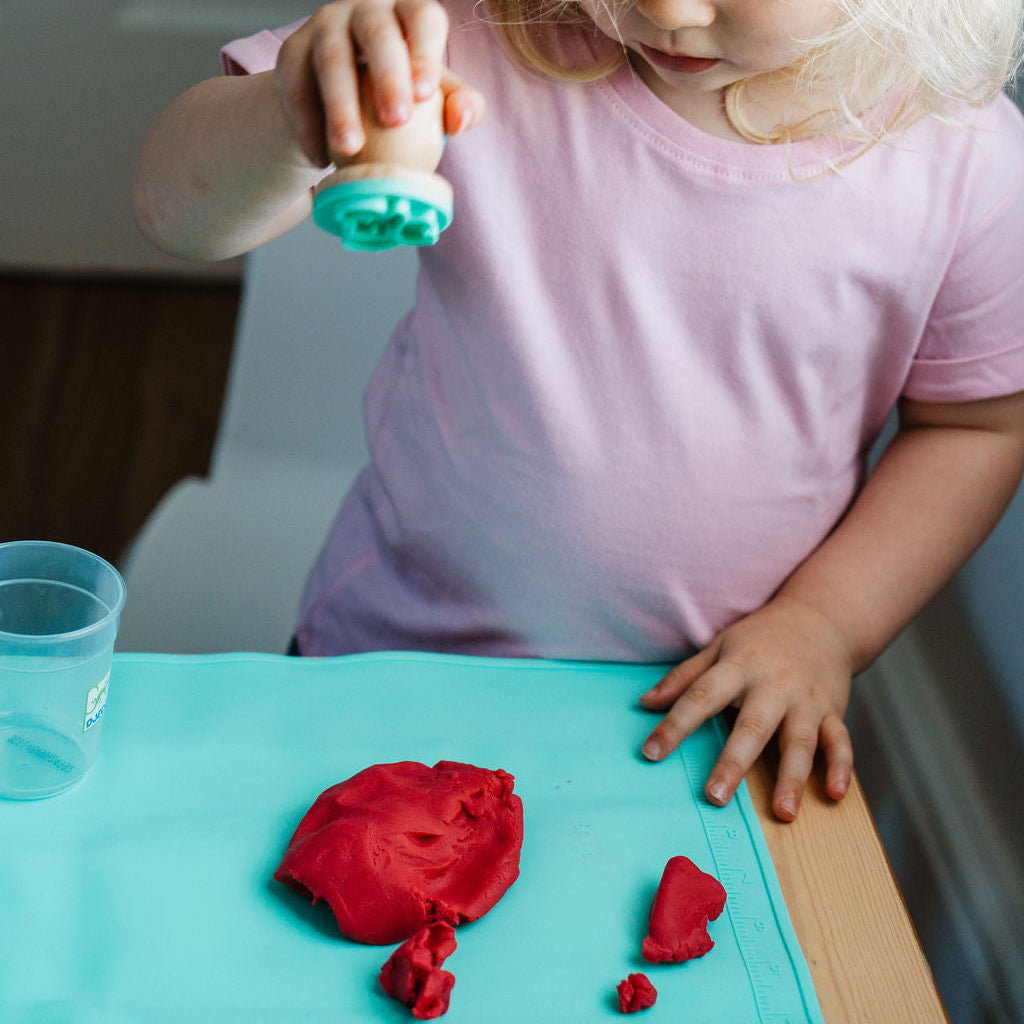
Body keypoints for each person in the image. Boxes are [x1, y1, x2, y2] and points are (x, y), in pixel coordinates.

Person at [132, 0, 1024, 821]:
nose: (667, 10)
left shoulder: (963, 157)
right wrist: (292, 112)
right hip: (391, 656)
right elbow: (175, 213)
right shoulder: (476, 33)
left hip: (702, 718)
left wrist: (826, 623)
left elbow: (975, 427)